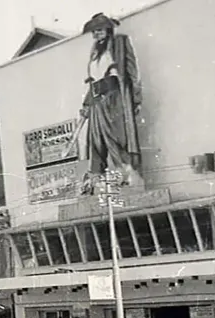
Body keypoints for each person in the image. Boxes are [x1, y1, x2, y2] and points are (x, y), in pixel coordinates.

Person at [78, 12, 144, 193]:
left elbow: (132, 71)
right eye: (93, 31)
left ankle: (128, 177)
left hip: (114, 97)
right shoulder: (94, 52)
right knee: (96, 142)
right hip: (96, 100)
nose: (96, 34)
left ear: (107, 29)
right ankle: (95, 183)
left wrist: (136, 99)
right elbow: (92, 80)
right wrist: (86, 104)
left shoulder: (120, 43)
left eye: (98, 30)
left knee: (116, 138)